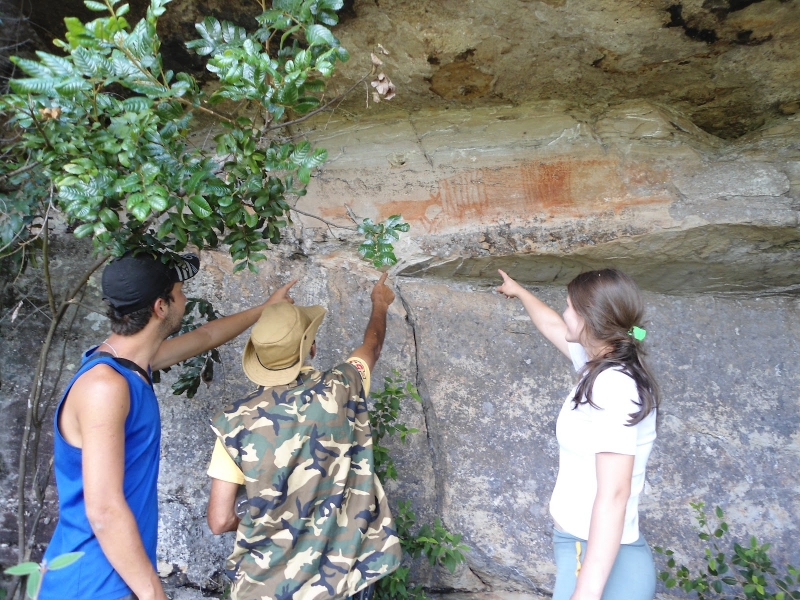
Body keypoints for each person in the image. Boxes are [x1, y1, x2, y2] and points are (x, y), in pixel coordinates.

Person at [40, 250, 297, 600]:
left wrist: (266, 309)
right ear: (161, 307)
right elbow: (103, 509)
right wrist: (153, 594)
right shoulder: (105, 387)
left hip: (112, 576)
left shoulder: (127, 363)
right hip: (93, 582)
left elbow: (205, 337)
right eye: (179, 292)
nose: (185, 299)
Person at [205, 272, 401, 600]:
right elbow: (372, 346)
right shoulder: (343, 387)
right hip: (341, 582)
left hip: (262, 588)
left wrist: (272, 516)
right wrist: (379, 302)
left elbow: (219, 520)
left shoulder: (232, 424)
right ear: (311, 348)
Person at [496, 268, 659, 600]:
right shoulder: (603, 366)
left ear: (589, 319)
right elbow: (554, 325)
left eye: (570, 306)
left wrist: (586, 592)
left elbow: (615, 492)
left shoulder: (614, 385)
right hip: (585, 549)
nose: (565, 313)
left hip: (597, 560)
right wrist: (521, 291)